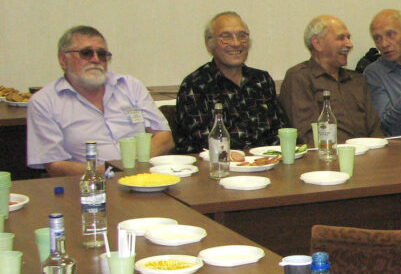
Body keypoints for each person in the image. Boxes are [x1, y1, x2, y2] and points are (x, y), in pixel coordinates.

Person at [27, 26, 172, 176]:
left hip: (143, 179)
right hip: (86, 184)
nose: (96, 59)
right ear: (63, 60)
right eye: (86, 53)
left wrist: (133, 166)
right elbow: (54, 164)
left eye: (102, 54)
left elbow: (165, 137)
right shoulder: (44, 102)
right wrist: (112, 172)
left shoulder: (129, 86)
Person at [175, 11, 289, 153]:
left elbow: (281, 131)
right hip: (217, 164)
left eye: (242, 36)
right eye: (226, 37)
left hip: (266, 161)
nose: (236, 43)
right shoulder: (195, 85)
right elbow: (201, 144)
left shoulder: (261, 80)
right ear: (210, 44)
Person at [279, 15, 384, 146]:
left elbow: (375, 130)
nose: (349, 44)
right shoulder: (299, 77)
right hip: (326, 155)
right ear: (317, 43)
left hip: (367, 153)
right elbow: (307, 136)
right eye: (341, 38)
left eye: (348, 38)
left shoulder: (357, 80)